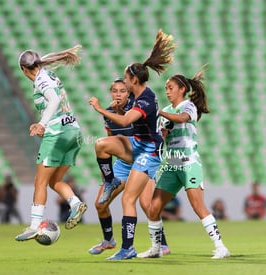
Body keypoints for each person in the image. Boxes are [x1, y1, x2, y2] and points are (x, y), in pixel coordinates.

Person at [89, 29, 176, 260]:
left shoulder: (145, 99)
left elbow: (127, 120)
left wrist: (99, 108)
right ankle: (110, 182)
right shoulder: (137, 97)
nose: (124, 82)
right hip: (137, 145)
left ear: (134, 80)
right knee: (101, 145)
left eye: (126, 79)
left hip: (148, 151)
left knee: (132, 199)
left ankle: (131, 248)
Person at [139, 65, 230, 259]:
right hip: (171, 164)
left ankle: (221, 247)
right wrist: (161, 132)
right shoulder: (165, 110)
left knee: (198, 207)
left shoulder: (188, 106)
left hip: (189, 162)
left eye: (171, 87)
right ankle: (156, 248)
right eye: (166, 88)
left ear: (182, 89)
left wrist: (160, 114)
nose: (168, 91)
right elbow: (163, 136)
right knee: (153, 208)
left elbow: (181, 118)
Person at [15, 45, 87, 242]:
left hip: (57, 132)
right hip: (73, 131)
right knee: (55, 181)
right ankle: (75, 203)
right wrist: (43, 125)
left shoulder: (41, 80)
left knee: (40, 181)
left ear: (23, 69)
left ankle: (34, 226)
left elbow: (54, 100)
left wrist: (41, 124)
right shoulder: (48, 74)